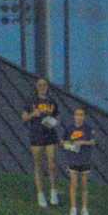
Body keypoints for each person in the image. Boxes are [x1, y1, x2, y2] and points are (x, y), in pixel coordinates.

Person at [23, 77, 63, 207]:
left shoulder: (52, 101)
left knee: (52, 164)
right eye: (39, 85)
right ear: (36, 86)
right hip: (36, 135)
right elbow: (24, 117)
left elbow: (57, 116)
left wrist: (55, 122)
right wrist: (32, 115)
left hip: (50, 134)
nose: (42, 87)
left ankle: (53, 192)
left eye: (44, 84)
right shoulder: (31, 101)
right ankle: (40, 194)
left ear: (47, 86)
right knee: (38, 164)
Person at [60, 107, 98, 215]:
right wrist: (70, 145)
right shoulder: (69, 128)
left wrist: (82, 142)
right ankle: (73, 208)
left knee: (84, 185)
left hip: (85, 160)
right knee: (73, 184)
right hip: (73, 159)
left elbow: (93, 141)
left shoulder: (88, 129)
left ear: (84, 116)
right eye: (77, 114)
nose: (79, 117)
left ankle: (84, 208)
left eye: (81, 115)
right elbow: (62, 142)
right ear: (74, 116)